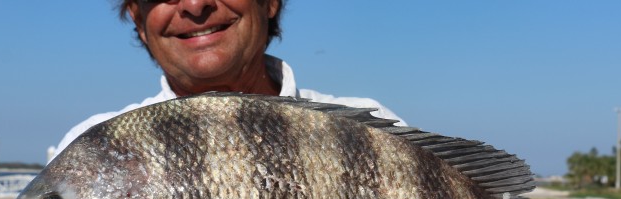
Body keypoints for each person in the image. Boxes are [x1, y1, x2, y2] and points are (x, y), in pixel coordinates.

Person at [54, 0, 405, 157]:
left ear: (270, 2)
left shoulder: (371, 129)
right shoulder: (94, 149)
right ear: (137, 18)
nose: (194, 5)